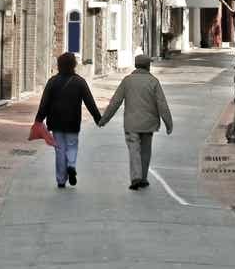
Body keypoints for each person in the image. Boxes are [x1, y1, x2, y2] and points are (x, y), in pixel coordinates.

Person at [99, 54, 173, 190]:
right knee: (145, 151)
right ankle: (143, 178)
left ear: (136, 65)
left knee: (134, 150)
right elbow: (162, 104)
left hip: (131, 124)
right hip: (149, 124)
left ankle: (136, 177)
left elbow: (115, 102)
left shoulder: (127, 81)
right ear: (148, 66)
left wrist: (104, 120)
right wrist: (169, 123)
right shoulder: (154, 82)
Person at [34, 52, 102, 190]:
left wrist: (39, 119)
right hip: (73, 121)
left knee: (59, 149)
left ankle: (60, 179)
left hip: (56, 121)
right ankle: (71, 165)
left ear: (59, 65)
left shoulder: (52, 81)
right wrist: (98, 118)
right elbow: (90, 102)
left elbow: (44, 103)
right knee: (72, 145)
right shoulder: (79, 82)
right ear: (74, 65)